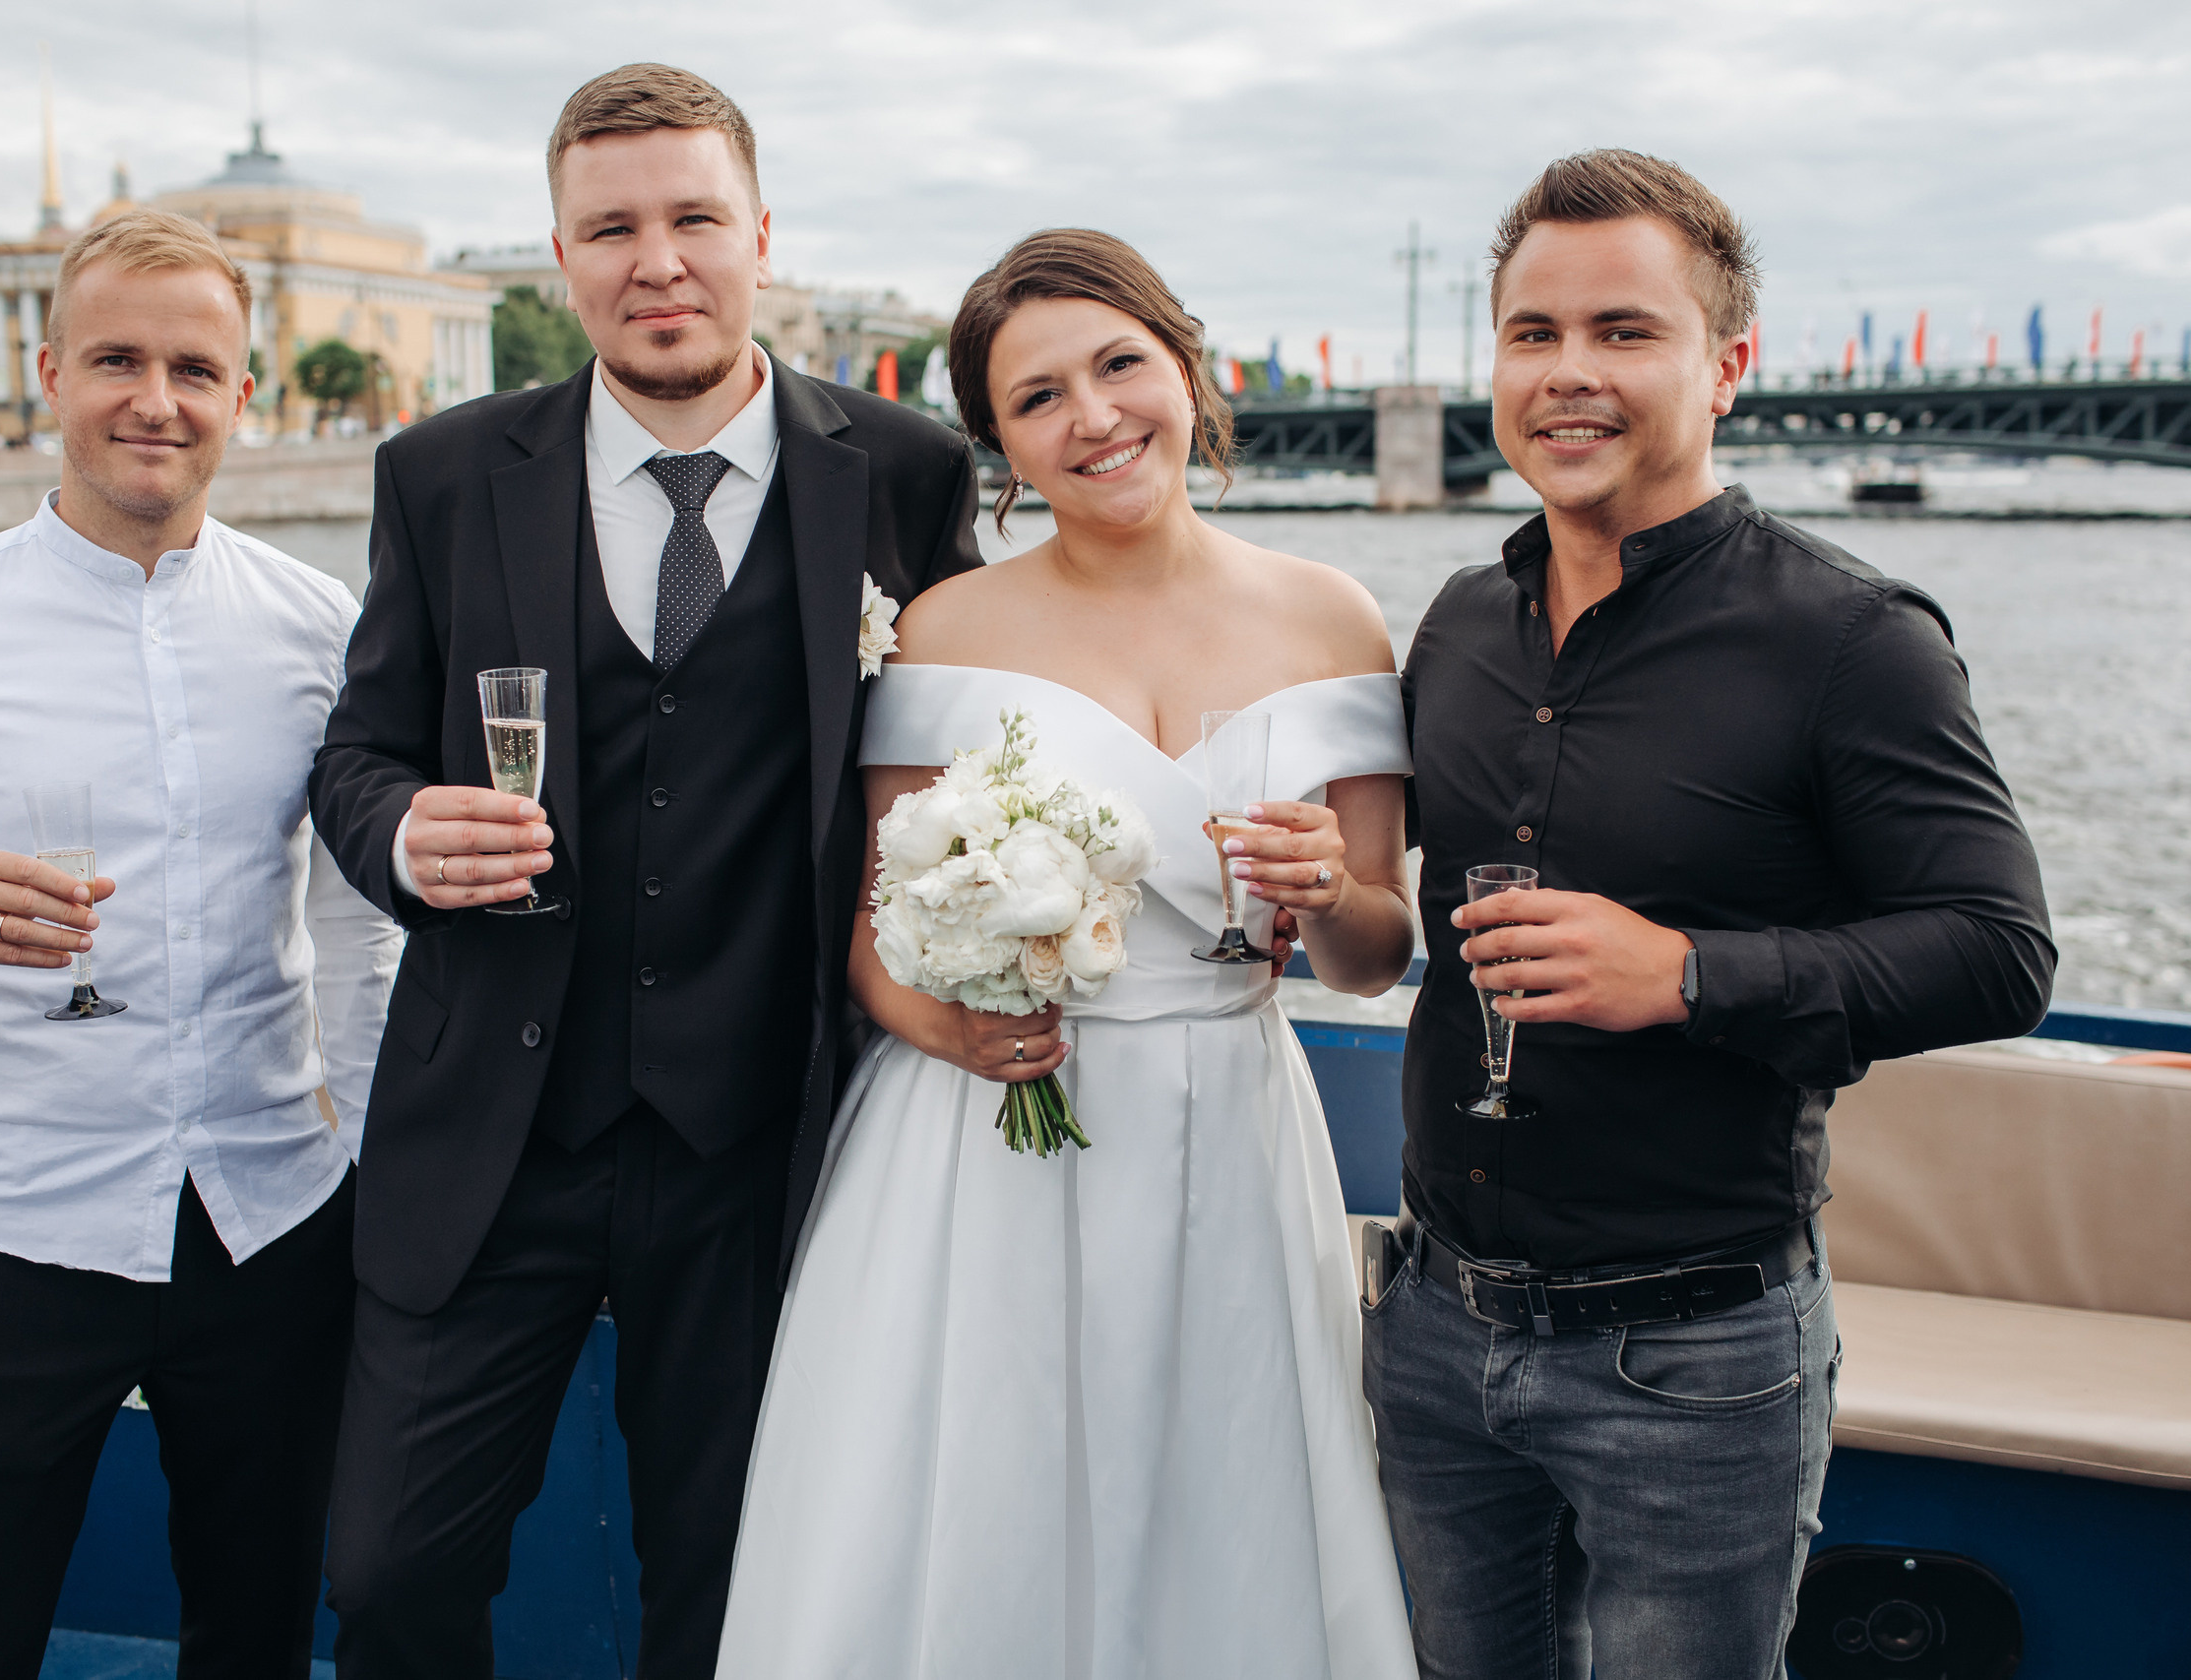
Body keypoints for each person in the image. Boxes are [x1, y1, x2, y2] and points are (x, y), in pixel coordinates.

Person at [307, 64, 983, 1677]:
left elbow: (983, 741)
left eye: (693, 218)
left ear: (762, 235)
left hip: (765, 1137)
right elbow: (353, 758)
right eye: (610, 227)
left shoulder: (900, 470)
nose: (656, 260)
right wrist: (405, 833)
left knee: (737, 1575)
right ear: (560, 256)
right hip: (494, 1132)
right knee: (390, 1567)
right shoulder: (446, 473)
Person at [1372, 150, 2056, 1677]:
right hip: (1432, 1330)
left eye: (1625, 331)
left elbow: (2000, 949)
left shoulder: (1852, 641)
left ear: (1728, 366)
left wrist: (1686, 975)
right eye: (1533, 334)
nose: (1568, 374)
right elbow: (1383, 916)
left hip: (1691, 1358)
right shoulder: (1460, 627)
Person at [714, 228, 1420, 1680]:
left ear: (1187, 367)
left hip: (1229, 1128)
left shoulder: (1332, 616)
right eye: (1040, 399)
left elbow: (1372, 956)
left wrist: (1336, 886)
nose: (1093, 418)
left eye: (1119, 367)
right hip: (986, 1143)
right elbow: (872, 939)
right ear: (1002, 447)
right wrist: (948, 1027)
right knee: (986, 1492)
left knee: (1224, 1495)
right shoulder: (944, 631)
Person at [0, 208, 401, 1679]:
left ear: (245, 397)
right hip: (16, 1228)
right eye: (116, 357)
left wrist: (377, 1178)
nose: (155, 399)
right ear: (48, 371)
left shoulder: (325, 628)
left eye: (196, 366)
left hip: (270, 1222)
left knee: (254, 1626)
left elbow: (358, 936)